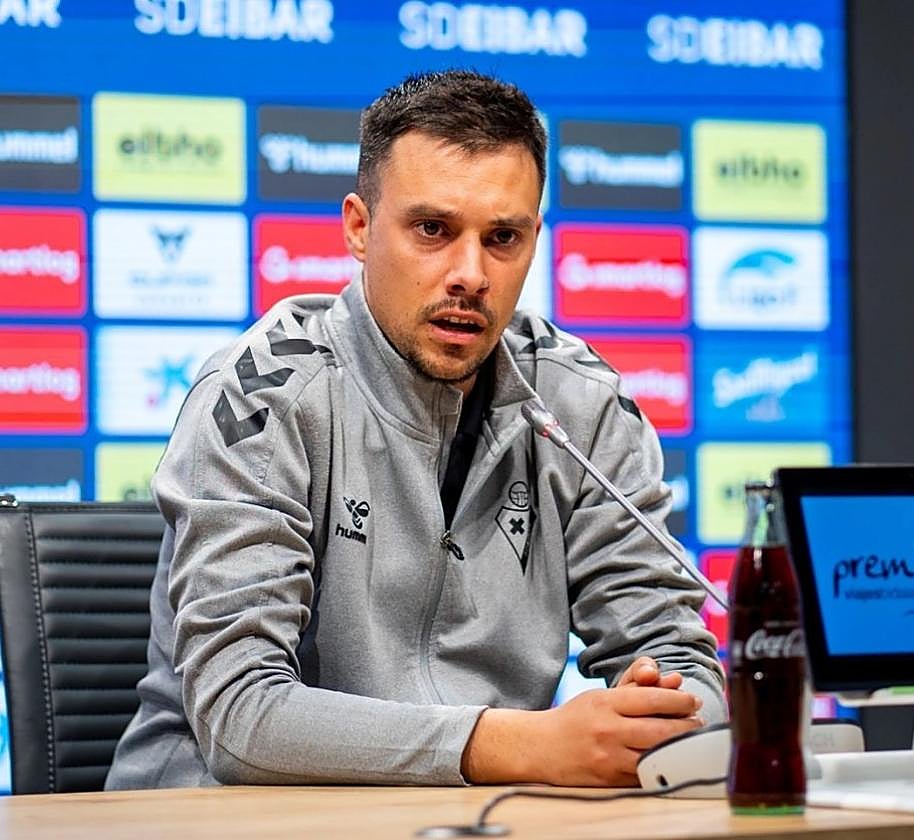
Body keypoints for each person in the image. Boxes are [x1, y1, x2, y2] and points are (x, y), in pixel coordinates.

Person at [105, 69, 724, 790]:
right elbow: (240, 718)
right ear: (359, 228)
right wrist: (518, 746)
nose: (470, 273)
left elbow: (682, 662)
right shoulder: (263, 397)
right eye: (432, 229)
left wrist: (663, 714)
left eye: (503, 238)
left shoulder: (577, 405)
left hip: (475, 817)